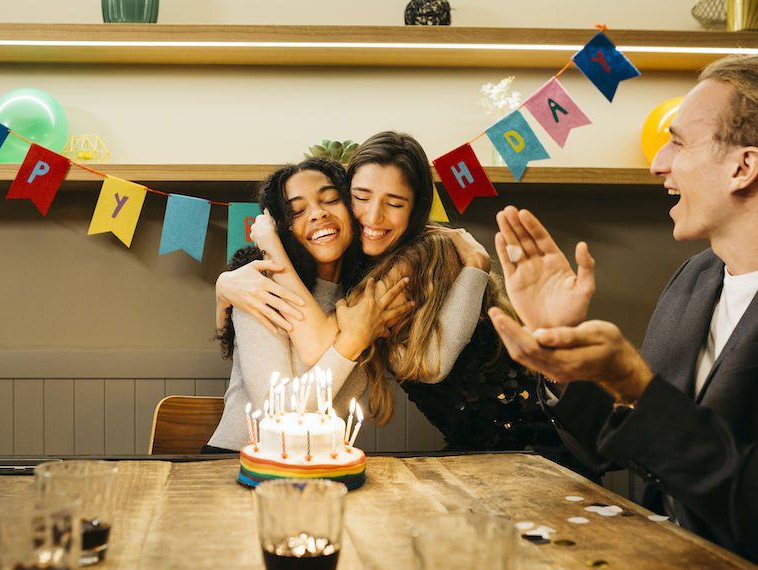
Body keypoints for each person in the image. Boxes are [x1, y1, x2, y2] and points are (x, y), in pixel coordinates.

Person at [488, 55, 758, 560]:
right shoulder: (695, 279)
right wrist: (564, 352)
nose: (658, 162)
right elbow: (624, 448)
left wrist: (635, 382)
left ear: (743, 167)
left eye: (677, 142)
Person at [215, 131, 492, 422]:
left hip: (323, 462)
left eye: (395, 204)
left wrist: (476, 266)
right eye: (361, 197)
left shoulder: (387, 278)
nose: (373, 217)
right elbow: (273, 406)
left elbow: (429, 365)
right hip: (239, 458)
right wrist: (227, 288)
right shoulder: (259, 284)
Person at [343, 232, 598, 477]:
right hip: (475, 459)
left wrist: (477, 263)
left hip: (548, 460)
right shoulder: (394, 339)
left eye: (395, 285)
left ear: (428, 295)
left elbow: (432, 367)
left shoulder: (477, 328)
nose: (378, 296)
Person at [205, 157, 407, 453]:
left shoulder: (371, 294)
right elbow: (279, 413)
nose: (317, 214)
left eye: (330, 199)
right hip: (234, 463)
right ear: (280, 229)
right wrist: (352, 342)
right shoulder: (258, 286)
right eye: (297, 211)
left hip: (319, 466)